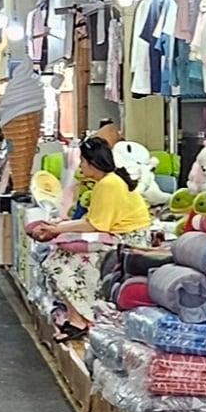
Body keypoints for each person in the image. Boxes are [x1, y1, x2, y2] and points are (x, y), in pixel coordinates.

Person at [32, 135, 151, 342]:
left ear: (92, 163)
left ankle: (81, 318)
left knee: (58, 260)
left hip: (128, 243)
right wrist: (60, 228)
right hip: (120, 238)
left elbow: (96, 224)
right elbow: (94, 221)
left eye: (83, 162)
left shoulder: (108, 184)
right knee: (61, 254)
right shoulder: (108, 182)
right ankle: (77, 316)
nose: (80, 166)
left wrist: (58, 228)